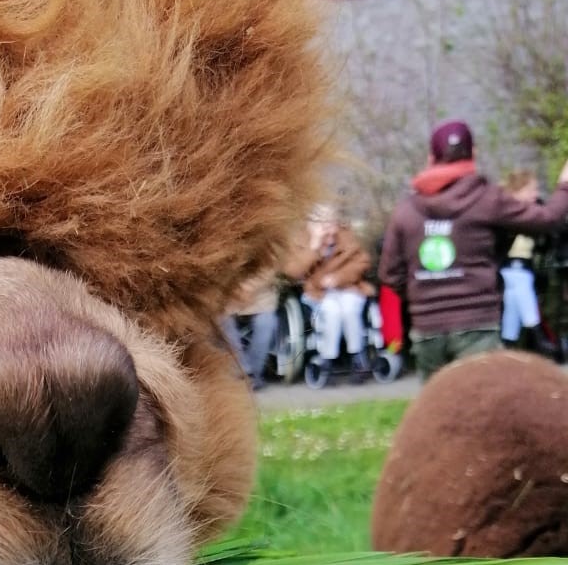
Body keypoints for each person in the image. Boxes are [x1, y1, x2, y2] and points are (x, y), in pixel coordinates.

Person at [379, 121, 568, 379]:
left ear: (431, 158)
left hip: (428, 329)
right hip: (476, 324)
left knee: (439, 413)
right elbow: (548, 219)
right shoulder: (488, 199)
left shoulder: (406, 211)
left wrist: (424, 296)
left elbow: (390, 275)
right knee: (484, 410)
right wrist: (565, 185)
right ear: (474, 154)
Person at [291, 204, 373, 385]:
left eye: (331, 222)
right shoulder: (303, 239)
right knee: (331, 310)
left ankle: (358, 357)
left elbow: (362, 262)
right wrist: (314, 246)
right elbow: (294, 271)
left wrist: (339, 278)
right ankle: (327, 360)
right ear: (312, 224)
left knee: (350, 309)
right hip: (318, 293)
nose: (328, 228)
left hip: (348, 288)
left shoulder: (346, 237)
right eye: (322, 223)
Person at [500, 169, 542, 349]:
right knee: (521, 286)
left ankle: (508, 341)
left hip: (523, 267)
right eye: (531, 190)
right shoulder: (506, 213)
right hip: (511, 267)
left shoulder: (536, 211)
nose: (535, 194)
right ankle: (536, 332)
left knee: (512, 306)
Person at [221, 268, 278, 390]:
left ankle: (253, 374)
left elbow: (270, 269)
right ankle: (246, 372)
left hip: (261, 297)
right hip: (228, 296)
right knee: (223, 322)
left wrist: (250, 287)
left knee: (266, 322)